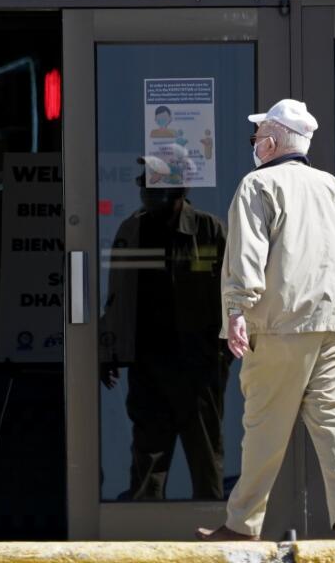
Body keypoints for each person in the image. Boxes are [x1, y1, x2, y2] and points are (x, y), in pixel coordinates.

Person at [196, 99, 335, 542]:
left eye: (257, 137)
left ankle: (242, 525)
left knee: (264, 424)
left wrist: (237, 309)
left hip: (281, 322)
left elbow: (247, 254)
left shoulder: (259, 185)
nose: (254, 144)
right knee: (332, 416)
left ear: (272, 141)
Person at [100, 158, 230, 500]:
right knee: (148, 455)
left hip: (198, 366)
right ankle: (145, 532)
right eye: (146, 180)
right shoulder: (133, 229)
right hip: (148, 362)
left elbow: (237, 293)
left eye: (156, 181)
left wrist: (224, 354)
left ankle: (213, 530)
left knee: (204, 454)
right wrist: (108, 350)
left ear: (180, 188)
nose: (147, 187)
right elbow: (117, 296)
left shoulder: (209, 230)